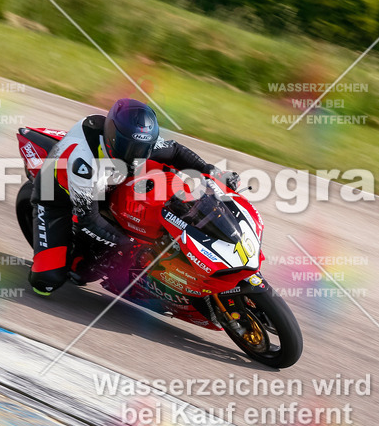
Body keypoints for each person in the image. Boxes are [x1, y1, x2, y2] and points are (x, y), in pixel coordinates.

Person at [28, 98, 239, 295]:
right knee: (46, 281)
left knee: (170, 177)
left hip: (111, 178)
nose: (137, 153)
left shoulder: (136, 140)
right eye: (130, 147)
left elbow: (174, 150)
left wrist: (211, 171)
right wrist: (128, 243)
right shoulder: (84, 164)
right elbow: (88, 220)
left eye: (143, 148)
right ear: (112, 138)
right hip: (58, 196)